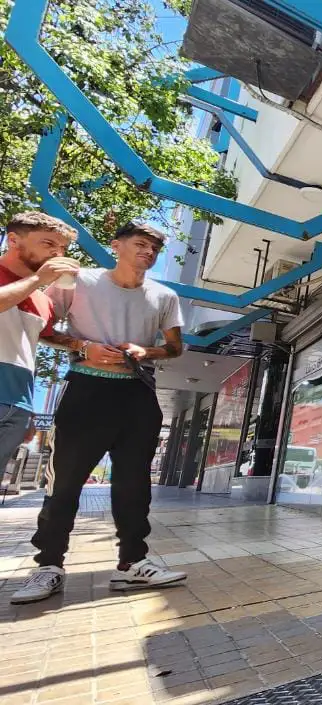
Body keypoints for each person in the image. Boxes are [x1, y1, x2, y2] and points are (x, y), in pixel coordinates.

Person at [11, 221, 187, 605]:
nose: (148, 253)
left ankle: (132, 563)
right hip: (86, 390)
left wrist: (146, 351)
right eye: (140, 244)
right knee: (64, 482)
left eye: (154, 249)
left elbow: (175, 347)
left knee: (134, 484)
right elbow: (43, 327)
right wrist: (82, 346)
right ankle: (49, 565)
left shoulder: (165, 296)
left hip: (139, 392)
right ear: (116, 246)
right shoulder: (79, 281)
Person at [0, 212, 78, 491]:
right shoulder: (33, 285)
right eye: (48, 244)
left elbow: (41, 339)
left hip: (17, 404)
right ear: (13, 240)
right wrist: (38, 279)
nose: (57, 254)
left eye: (62, 248)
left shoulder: (42, 301)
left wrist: (85, 346)